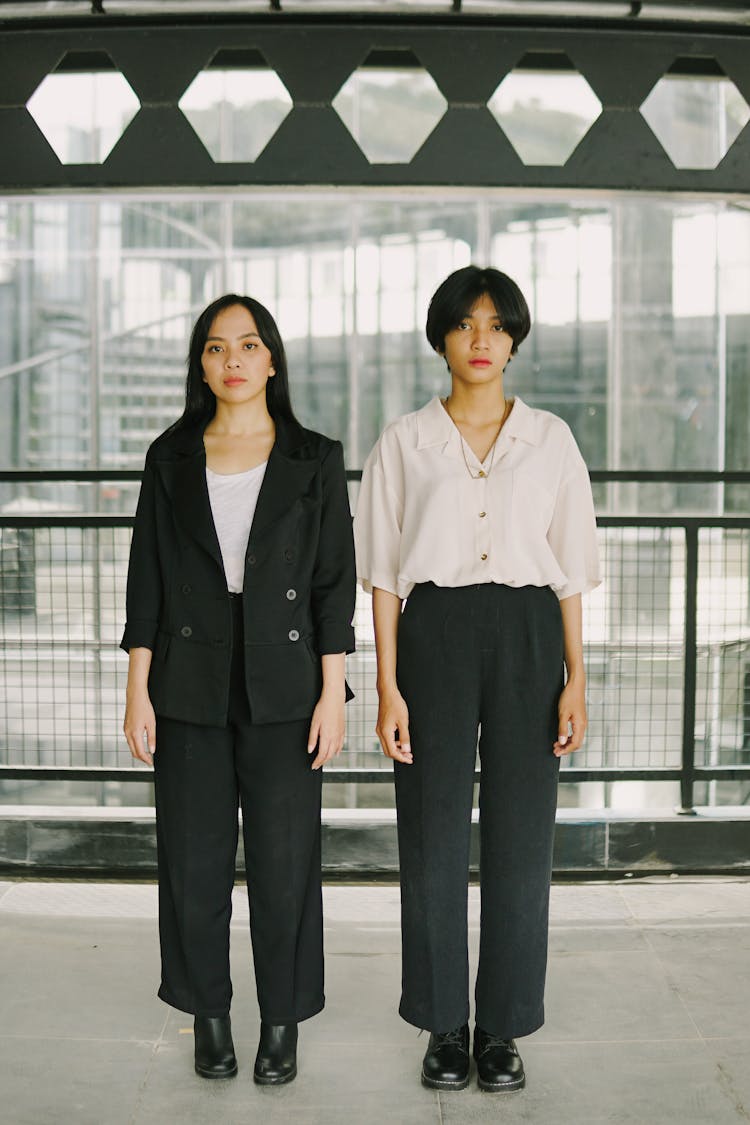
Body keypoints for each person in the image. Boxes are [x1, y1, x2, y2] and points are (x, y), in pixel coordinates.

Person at [353, 265, 601, 1093]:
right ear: (442, 338)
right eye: (466, 324)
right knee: (430, 837)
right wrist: (387, 686)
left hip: (531, 632)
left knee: (522, 837)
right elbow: (384, 577)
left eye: (497, 324)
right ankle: (441, 1024)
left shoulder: (553, 439)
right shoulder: (403, 442)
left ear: (516, 337)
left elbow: (570, 570)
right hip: (434, 635)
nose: (482, 339)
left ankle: (500, 1027)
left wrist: (576, 677)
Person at [122, 293, 355, 1085]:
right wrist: (136, 687)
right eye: (217, 348)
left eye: (248, 345)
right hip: (188, 678)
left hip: (286, 681)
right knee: (192, 859)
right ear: (202, 364)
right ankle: (208, 1014)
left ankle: (282, 1020)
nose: (233, 360)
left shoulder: (314, 458)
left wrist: (334, 691)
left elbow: (333, 585)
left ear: (272, 359)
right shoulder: (171, 455)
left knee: (287, 861)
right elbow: (145, 580)